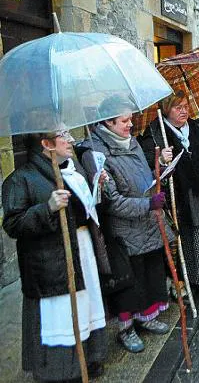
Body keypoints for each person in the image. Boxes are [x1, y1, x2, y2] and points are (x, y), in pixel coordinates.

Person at [3, 126, 107, 381]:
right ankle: (61, 371)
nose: (71, 139)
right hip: (51, 263)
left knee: (85, 307)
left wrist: (96, 187)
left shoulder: (71, 169)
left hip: (81, 251)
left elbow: (86, 211)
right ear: (46, 144)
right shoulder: (21, 179)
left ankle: (88, 358)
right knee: (60, 317)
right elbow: (13, 224)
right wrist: (47, 208)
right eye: (64, 136)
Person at [82, 96, 175, 353]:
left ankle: (148, 317)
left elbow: (144, 176)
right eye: (124, 120)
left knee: (149, 276)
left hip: (148, 224)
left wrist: (160, 175)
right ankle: (127, 329)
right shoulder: (96, 153)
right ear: (108, 122)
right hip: (125, 231)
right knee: (129, 283)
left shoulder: (131, 143)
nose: (130, 124)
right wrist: (148, 204)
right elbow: (112, 203)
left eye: (130, 118)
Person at [140, 90, 199, 292]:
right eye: (178, 107)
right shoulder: (156, 131)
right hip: (177, 194)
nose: (184, 111)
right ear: (167, 109)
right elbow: (145, 166)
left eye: (186, 106)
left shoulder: (195, 126)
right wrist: (159, 159)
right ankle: (185, 282)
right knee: (186, 235)